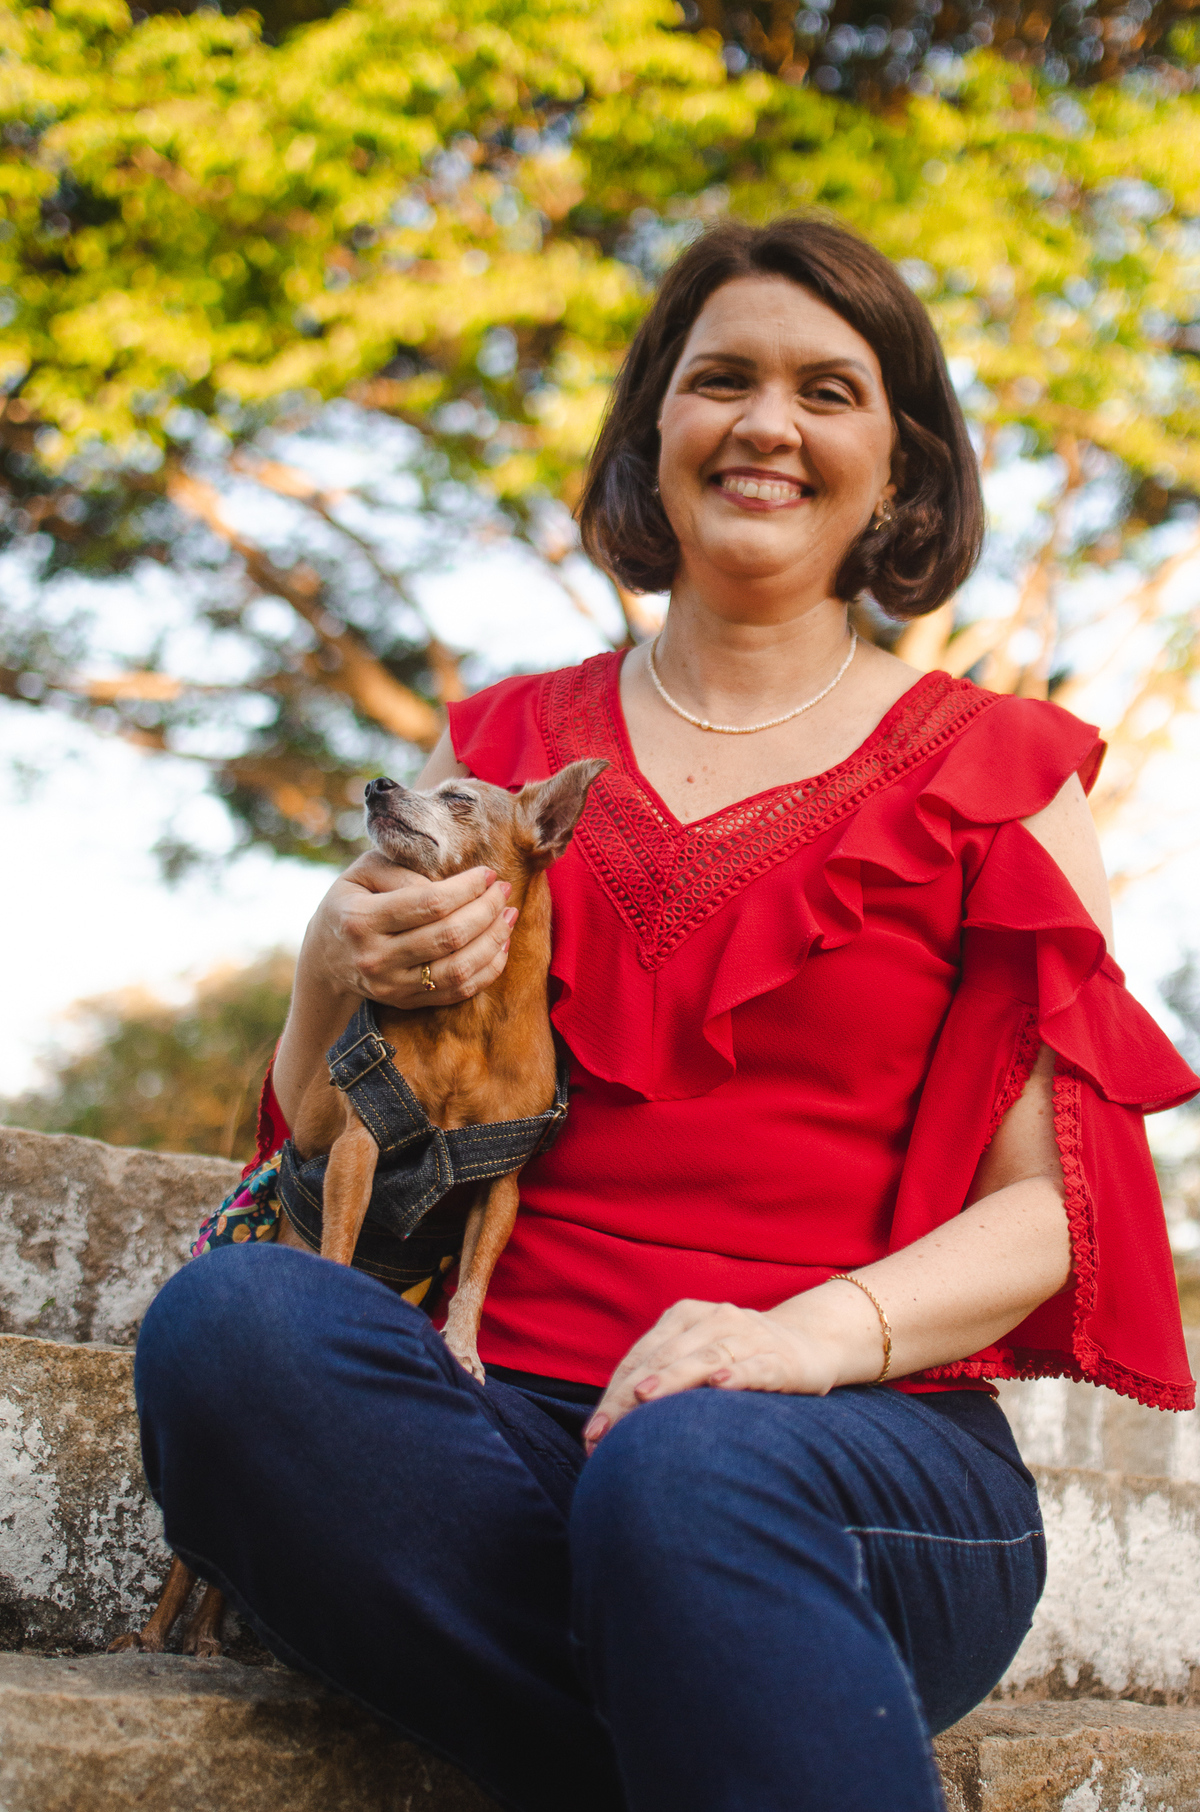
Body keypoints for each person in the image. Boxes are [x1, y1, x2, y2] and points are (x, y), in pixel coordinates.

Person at [137, 218, 1198, 1812]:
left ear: (901, 473)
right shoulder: (498, 750)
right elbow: (325, 1132)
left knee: (688, 1468)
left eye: (828, 390)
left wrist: (797, 1340)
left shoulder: (1001, 775)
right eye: (724, 381)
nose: (769, 422)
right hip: (487, 1439)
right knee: (229, 1331)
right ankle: (730, 1731)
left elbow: (1053, 1217)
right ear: (656, 439)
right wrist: (332, 960)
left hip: (851, 1446)